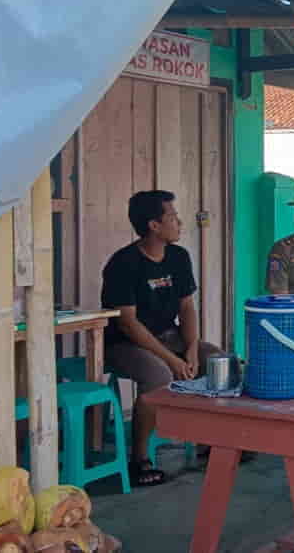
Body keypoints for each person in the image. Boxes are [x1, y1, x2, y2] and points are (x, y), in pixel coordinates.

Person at [101, 190, 224, 487]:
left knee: (218, 361)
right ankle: (139, 460)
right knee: (158, 374)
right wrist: (172, 359)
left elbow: (187, 308)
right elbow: (129, 324)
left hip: (169, 338)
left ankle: (215, 444)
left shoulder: (179, 257)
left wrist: (192, 348)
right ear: (154, 225)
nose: (180, 222)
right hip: (125, 344)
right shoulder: (124, 263)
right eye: (172, 216)